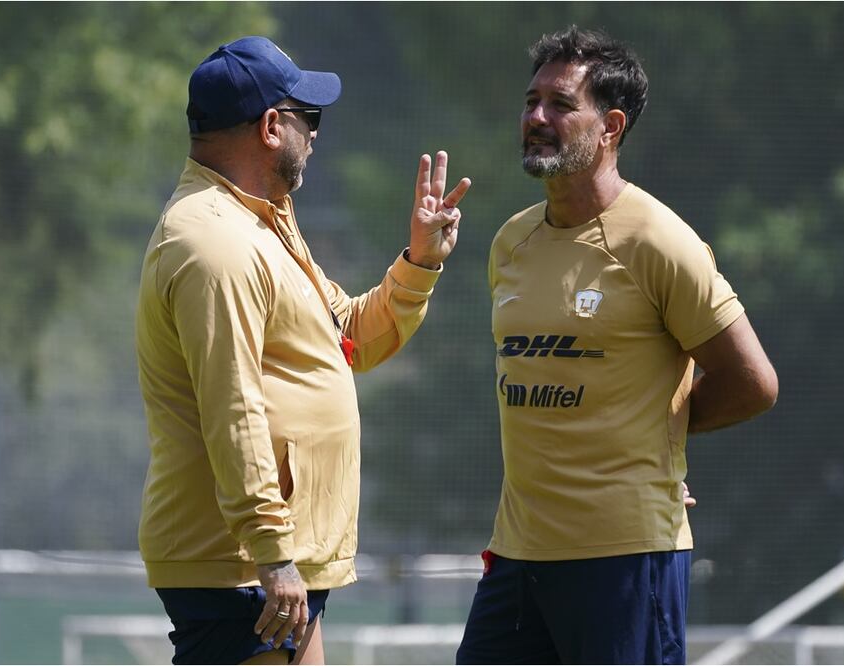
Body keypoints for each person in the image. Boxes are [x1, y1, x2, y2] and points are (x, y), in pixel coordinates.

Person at [135, 36, 471, 665]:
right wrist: (271, 550)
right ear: (270, 126)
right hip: (241, 565)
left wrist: (420, 262)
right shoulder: (216, 243)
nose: (315, 135)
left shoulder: (260, 223)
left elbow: (345, 335)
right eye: (307, 118)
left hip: (266, 561)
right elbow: (233, 408)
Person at [456, 26, 778, 665]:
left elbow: (753, 382)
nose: (536, 117)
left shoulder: (659, 241)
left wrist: (660, 440)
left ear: (610, 126)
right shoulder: (509, 243)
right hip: (518, 555)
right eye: (531, 101)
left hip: (625, 558)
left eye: (560, 104)